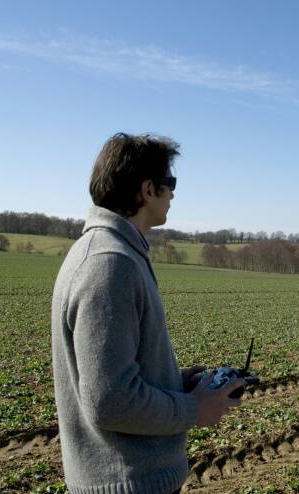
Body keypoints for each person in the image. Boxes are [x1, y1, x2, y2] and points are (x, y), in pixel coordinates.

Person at [51, 133, 245, 494]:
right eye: (169, 184)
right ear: (147, 190)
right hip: (129, 483)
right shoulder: (109, 264)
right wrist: (193, 410)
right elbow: (110, 400)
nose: (173, 193)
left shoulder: (116, 252)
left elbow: (113, 373)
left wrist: (172, 381)